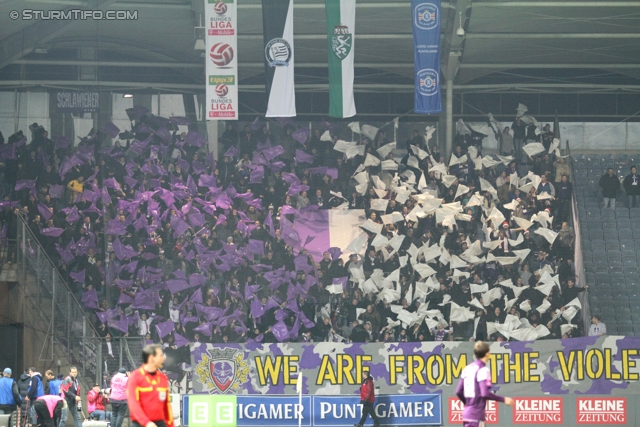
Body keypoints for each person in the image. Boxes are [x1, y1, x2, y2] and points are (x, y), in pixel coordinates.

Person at [455, 341, 513, 427]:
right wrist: (503, 399)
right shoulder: (483, 369)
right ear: (487, 353)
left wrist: (468, 405)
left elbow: (458, 391)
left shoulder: (467, 368)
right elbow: (484, 393)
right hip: (476, 416)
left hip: (467, 415)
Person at [126, 345, 173, 427]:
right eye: (161, 355)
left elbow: (166, 405)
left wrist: (170, 425)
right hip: (140, 424)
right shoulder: (135, 377)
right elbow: (133, 404)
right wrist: (147, 423)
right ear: (151, 358)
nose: (164, 358)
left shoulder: (163, 378)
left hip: (160, 423)